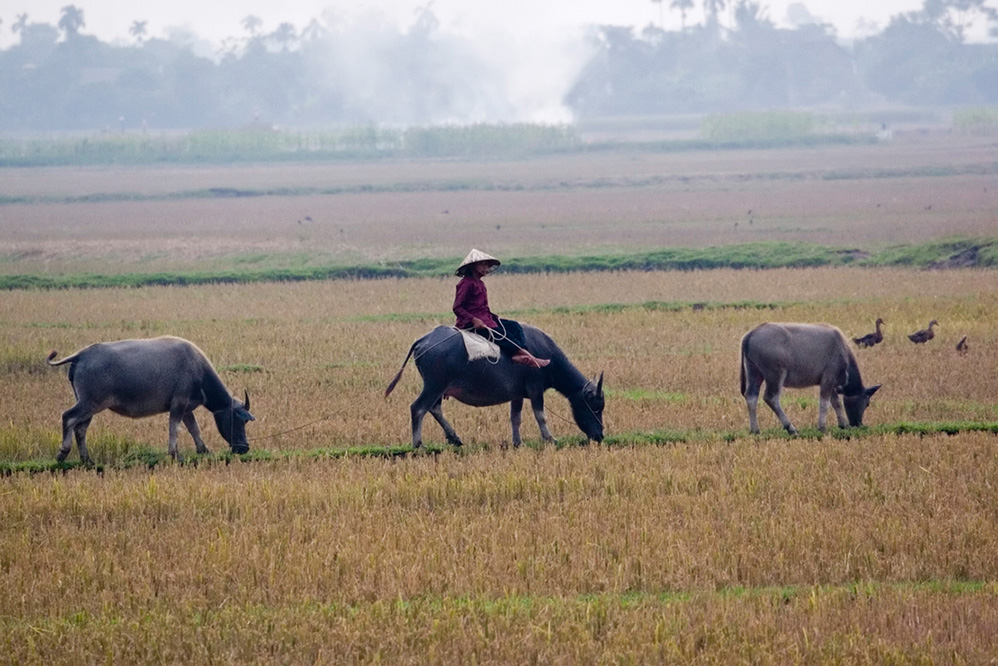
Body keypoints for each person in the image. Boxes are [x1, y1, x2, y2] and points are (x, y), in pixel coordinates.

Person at [453, 249, 550, 368]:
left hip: (488, 320)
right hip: (472, 324)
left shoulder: (480, 283)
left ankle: (518, 353)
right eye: (482, 265)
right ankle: (531, 359)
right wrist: (473, 320)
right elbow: (457, 308)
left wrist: (492, 318)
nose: (486, 268)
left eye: (487, 265)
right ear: (473, 266)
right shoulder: (466, 283)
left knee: (514, 326)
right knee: (501, 336)